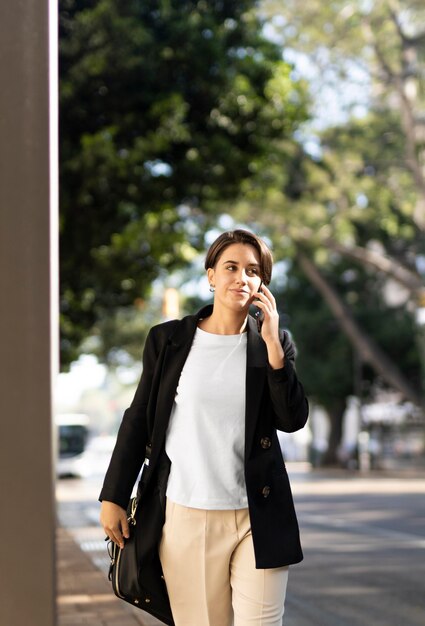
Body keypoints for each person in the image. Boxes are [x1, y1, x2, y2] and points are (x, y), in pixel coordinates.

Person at [100, 229, 309, 626]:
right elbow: (138, 417)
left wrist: (274, 351)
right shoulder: (168, 341)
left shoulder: (273, 343)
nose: (242, 278)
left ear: (263, 282)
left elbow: (292, 419)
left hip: (257, 517)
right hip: (187, 515)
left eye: (253, 270)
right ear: (211, 275)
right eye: (231, 267)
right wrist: (113, 495)